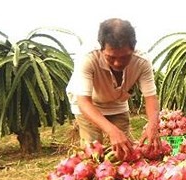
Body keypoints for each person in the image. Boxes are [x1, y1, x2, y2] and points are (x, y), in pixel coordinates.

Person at [67, 18, 160, 159]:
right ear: (101, 47)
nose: (117, 63)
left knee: (125, 152)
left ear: (133, 48)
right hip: (89, 104)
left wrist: (153, 125)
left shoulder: (142, 61)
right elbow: (84, 102)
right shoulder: (87, 58)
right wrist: (111, 130)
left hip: (117, 103)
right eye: (111, 57)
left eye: (125, 57)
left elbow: (151, 97)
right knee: (92, 153)